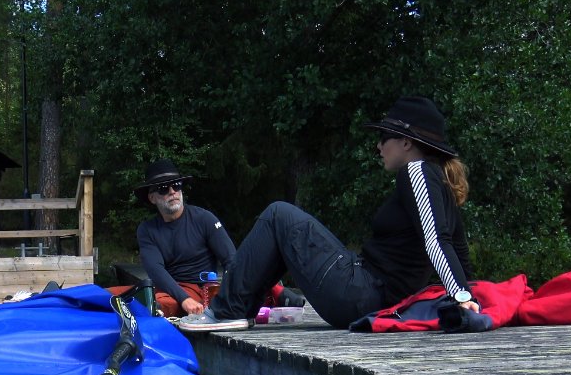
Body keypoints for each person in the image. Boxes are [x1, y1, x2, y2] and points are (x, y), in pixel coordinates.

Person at [178, 96, 476, 332]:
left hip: (361, 295)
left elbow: (437, 241)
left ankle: (227, 311)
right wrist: (472, 294)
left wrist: (462, 297)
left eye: (384, 137)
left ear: (406, 142)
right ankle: (238, 310)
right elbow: (458, 246)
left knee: (278, 214)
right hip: (368, 293)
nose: (378, 146)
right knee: (286, 230)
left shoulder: (417, 171)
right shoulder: (440, 181)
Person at [112, 159, 299, 317]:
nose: (172, 192)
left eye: (176, 185)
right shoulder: (147, 229)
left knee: (156, 305)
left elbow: (231, 259)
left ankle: (274, 290)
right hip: (170, 288)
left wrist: (227, 292)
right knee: (108, 295)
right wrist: (183, 298)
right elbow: (156, 271)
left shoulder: (204, 219)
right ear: (152, 198)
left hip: (203, 288)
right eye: (163, 189)